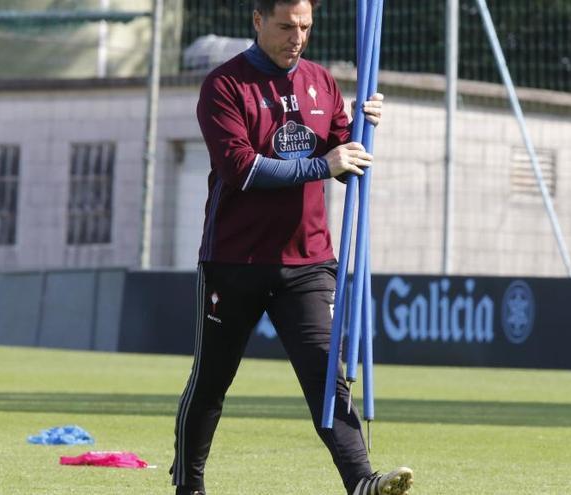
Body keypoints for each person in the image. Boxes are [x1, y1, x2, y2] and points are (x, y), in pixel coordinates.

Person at [171, 1, 413, 494]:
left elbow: (350, 162)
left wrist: (365, 128)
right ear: (258, 21)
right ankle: (189, 485)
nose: (296, 36)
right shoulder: (224, 85)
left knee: (326, 375)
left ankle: (362, 481)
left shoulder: (323, 82)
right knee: (212, 382)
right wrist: (325, 164)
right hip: (233, 260)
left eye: (305, 26)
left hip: (307, 261)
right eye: (285, 26)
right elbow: (244, 169)